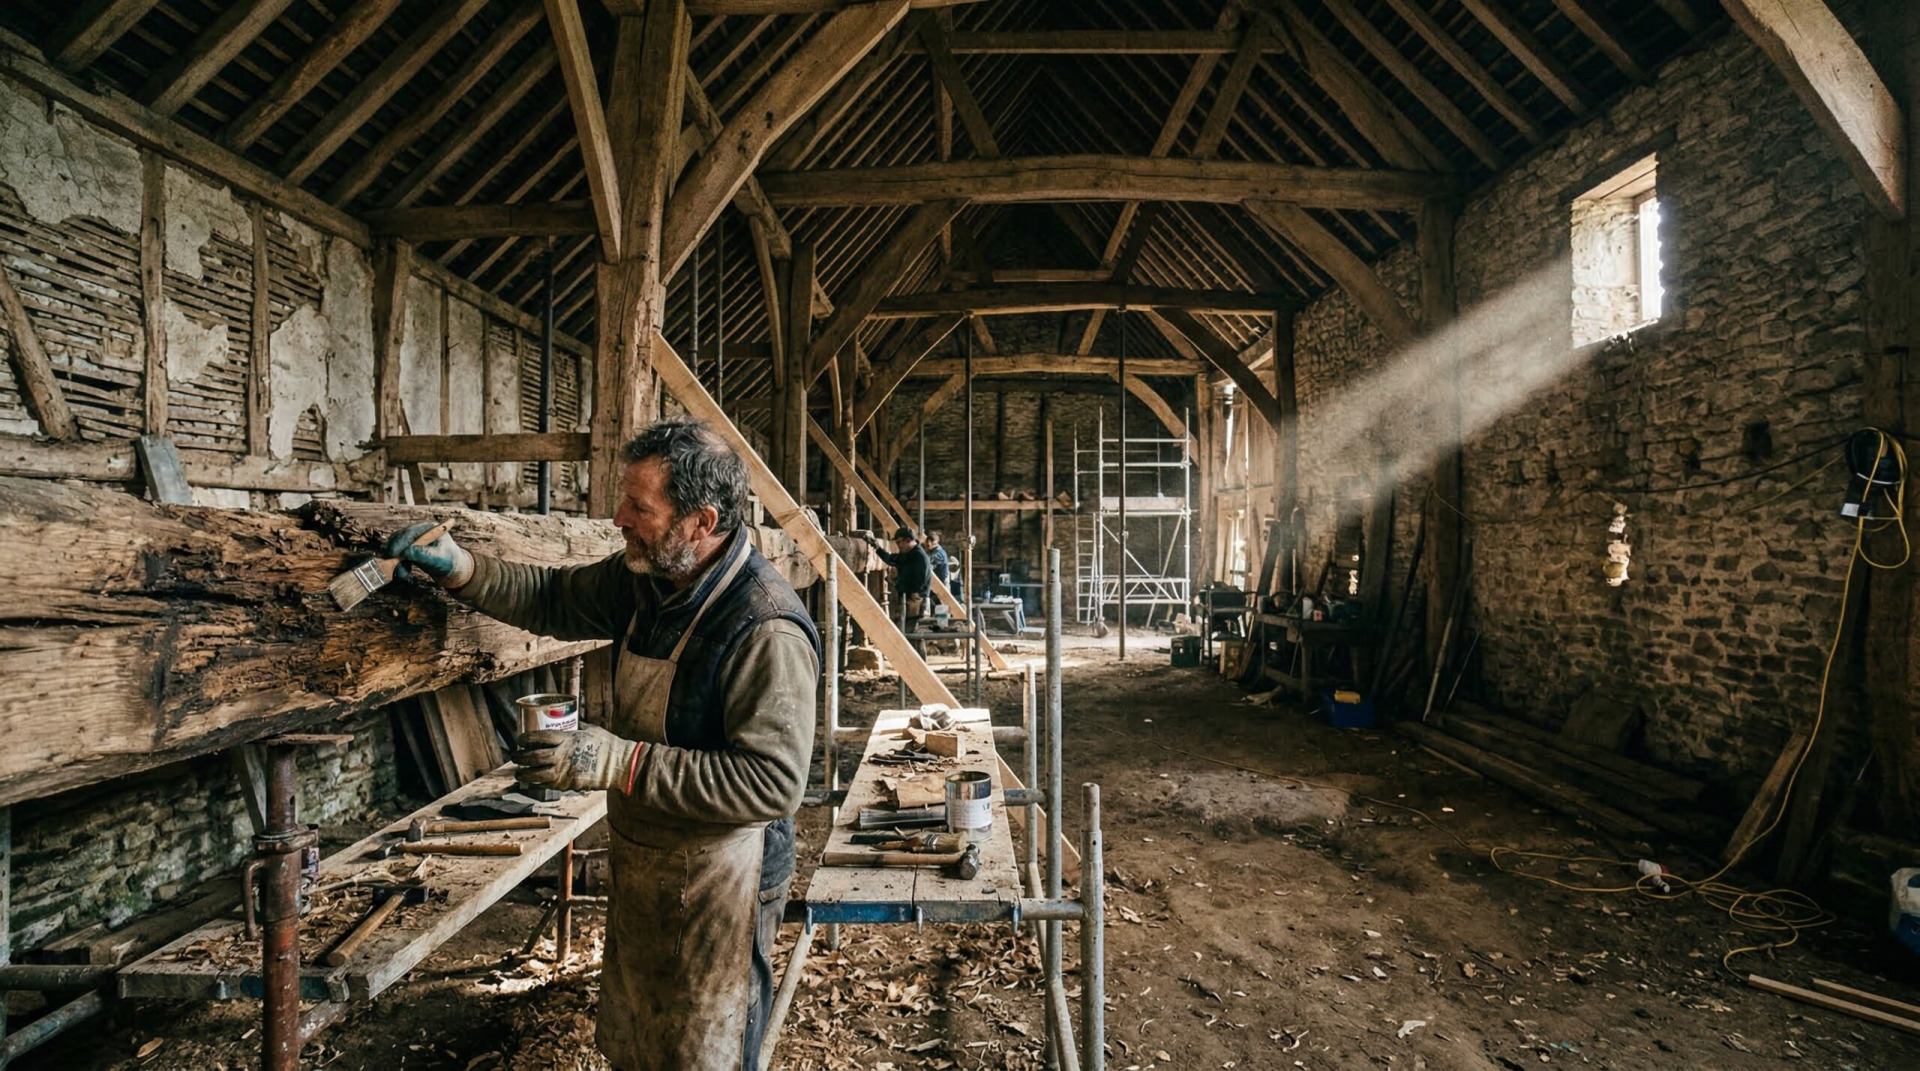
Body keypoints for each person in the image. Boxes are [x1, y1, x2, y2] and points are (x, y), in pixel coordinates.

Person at [384, 417, 819, 1071]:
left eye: (638, 507)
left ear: (702, 522)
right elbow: (555, 597)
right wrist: (463, 570)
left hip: (721, 879)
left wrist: (619, 759)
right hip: (648, 854)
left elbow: (772, 783)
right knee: (645, 1043)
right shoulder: (647, 578)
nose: (618, 517)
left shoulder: (764, 626)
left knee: (707, 1053)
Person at [864, 525, 931, 622]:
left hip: (916, 601)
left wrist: (899, 583)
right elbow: (891, 559)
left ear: (908, 540)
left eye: (899, 542)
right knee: (905, 631)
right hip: (909, 598)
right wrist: (877, 547)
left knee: (911, 632)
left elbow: (921, 581)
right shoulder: (908, 554)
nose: (898, 545)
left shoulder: (919, 557)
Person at [922, 531, 950, 599]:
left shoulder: (939, 554)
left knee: (943, 604)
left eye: (928, 545)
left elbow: (928, 563)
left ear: (934, 543)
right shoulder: (932, 551)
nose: (927, 547)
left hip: (941, 582)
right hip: (936, 582)